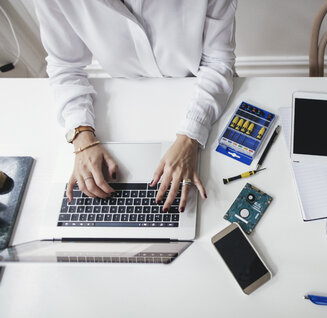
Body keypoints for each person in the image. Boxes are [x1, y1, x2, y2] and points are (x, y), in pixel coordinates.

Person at [35, 0, 237, 213]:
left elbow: (218, 63)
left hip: (202, 93)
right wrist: (81, 134)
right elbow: (65, 66)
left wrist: (191, 136)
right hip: (123, 104)